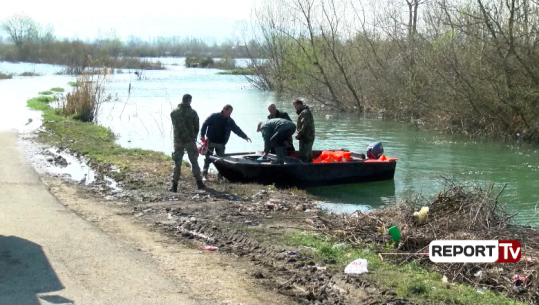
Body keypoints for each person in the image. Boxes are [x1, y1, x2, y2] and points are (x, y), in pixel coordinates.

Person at [200, 104, 252, 180]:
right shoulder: (214, 116)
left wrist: (245, 136)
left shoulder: (230, 121)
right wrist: (202, 135)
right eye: (228, 112)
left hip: (221, 143)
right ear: (224, 110)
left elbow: (236, 129)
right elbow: (204, 124)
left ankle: (220, 176)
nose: (229, 114)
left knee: (221, 160)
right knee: (208, 158)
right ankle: (204, 174)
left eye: (231, 113)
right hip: (211, 141)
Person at [169, 94, 205, 192]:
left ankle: (174, 185)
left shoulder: (173, 112)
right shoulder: (192, 113)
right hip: (189, 141)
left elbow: (174, 125)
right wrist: (193, 136)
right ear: (189, 101)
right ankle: (199, 183)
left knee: (177, 163)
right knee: (194, 161)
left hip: (178, 141)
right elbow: (197, 127)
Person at [293, 99, 315, 163]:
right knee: (307, 154)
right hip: (305, 137)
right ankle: (310, 166)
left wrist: (299, 134)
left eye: (295, 106)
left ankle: (305, 168)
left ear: (299, 104)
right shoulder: (303, 112)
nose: (295, 108)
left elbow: (305, 125)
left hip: (306, 137)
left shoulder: (305, 112)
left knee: (304, 155)